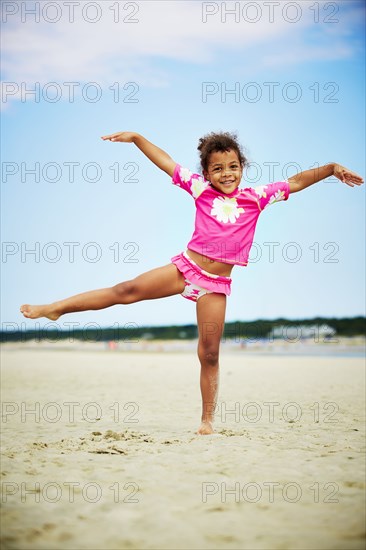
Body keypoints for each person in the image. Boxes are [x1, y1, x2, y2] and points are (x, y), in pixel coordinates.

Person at [20, 131, 364, 435]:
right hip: (184, 269)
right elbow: (166, 162)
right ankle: (55, 309)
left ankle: (207, 420)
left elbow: (297, 181)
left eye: (232, 166)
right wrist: (138, 139)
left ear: (241, 167)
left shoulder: (256, 198)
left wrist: (332, 167)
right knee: (124, 291)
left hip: (216, 285)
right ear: (207, 173)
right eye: (217, 168)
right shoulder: (200, 190)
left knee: (210, 354)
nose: (226, 174)